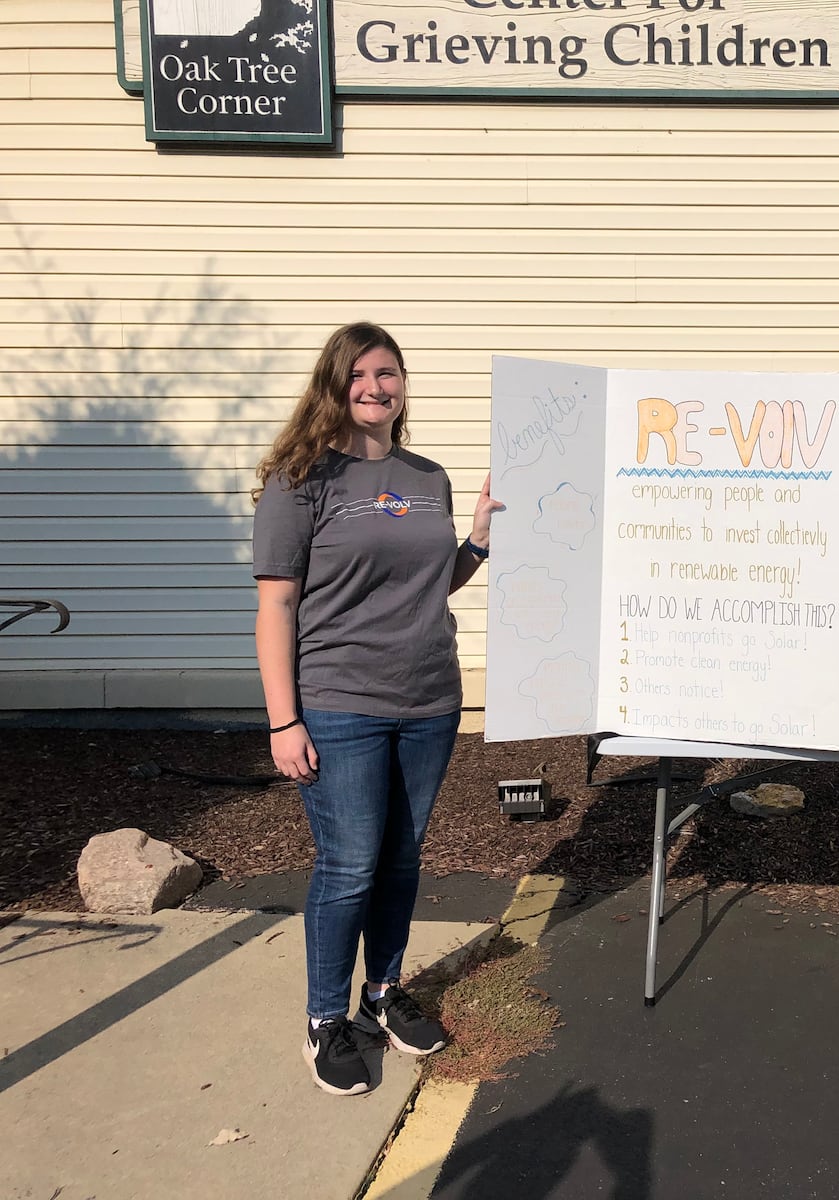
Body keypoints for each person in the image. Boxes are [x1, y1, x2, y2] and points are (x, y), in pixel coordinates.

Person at [252, 322, 503, 1096]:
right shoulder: (301, 480)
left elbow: (431, 584)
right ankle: (325, 1020)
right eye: (359, 374)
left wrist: (480, 543)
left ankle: (383, 997)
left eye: (387, 373)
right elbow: (276, 606)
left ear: (403, 385)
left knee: (400, 858)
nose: (375, 387)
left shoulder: (428, 476)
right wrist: (283, 720)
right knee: (350, 863)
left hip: (429, 701)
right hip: (339, 703)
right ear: (334, 385)